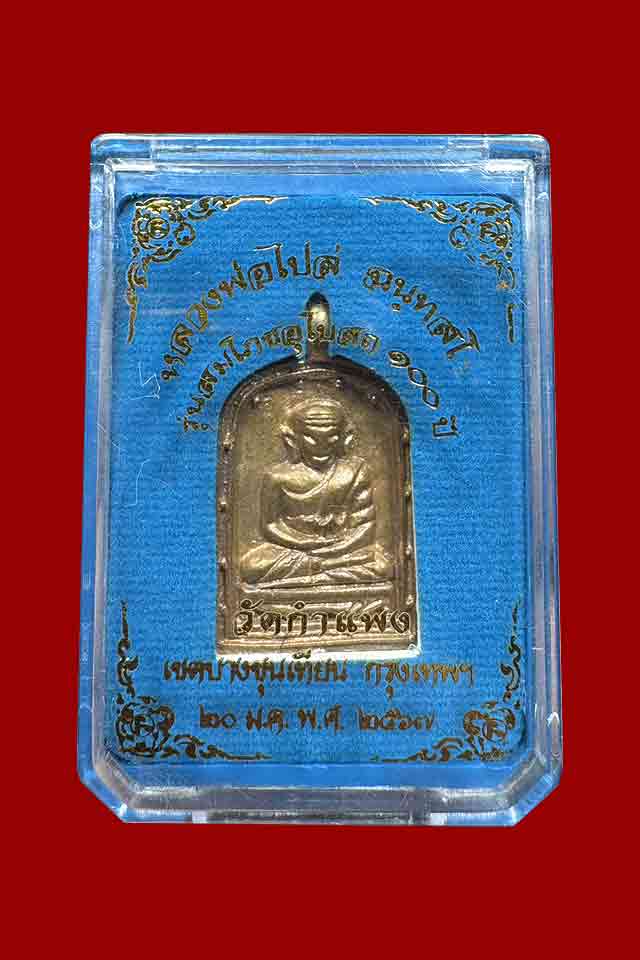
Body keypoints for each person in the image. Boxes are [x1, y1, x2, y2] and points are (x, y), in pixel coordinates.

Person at [240, 398, 393, 586]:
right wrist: (304, 543)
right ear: (292, 439)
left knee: (384, 566)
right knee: (251, 566)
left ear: (345, 438)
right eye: (310, 437)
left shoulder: (356, 471)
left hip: (343, 549)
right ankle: (323, 571)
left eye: (331, 436)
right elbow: (270, 526)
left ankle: (310, 575)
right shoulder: (276, 476)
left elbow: (365, 526)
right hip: (294, 549)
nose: (321, 445)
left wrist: (336, 548)